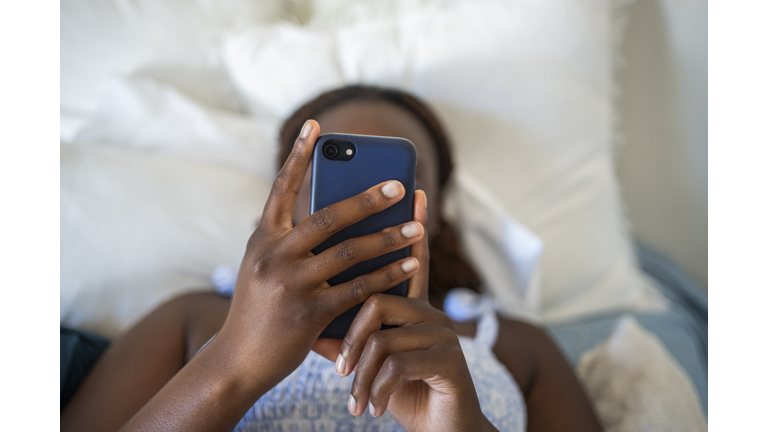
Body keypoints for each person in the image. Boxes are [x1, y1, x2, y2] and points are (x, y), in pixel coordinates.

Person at [60, 86, 602, 431]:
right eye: (330, 175)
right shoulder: (194, 317)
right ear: (285, 198)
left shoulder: (515, 343)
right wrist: (233, 364)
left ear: (432, 212)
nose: (359, 202)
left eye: (394, 183)